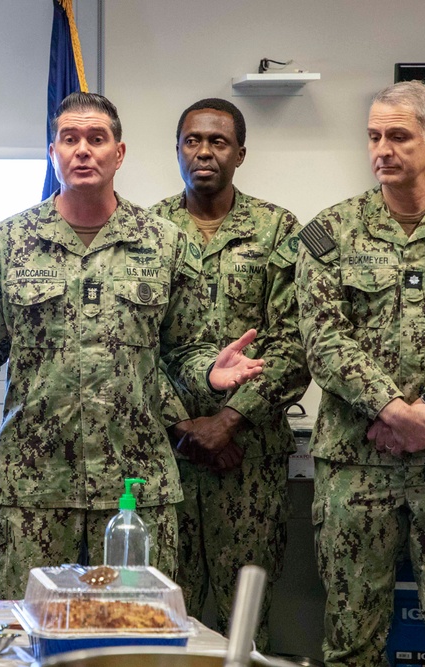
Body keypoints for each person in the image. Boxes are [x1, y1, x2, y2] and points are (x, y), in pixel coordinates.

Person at [0, 92, 265, 599]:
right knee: (32, 638)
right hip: (34, 489)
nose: (83, 150)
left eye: (97, 139)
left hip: (136, 490)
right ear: (53, 152)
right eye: (70, 139)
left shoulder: (164, 242)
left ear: (120, 152)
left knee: (138, 638)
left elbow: (187, 348)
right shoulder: (3, 244)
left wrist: (210, 374)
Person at [296, 80, 425, 666]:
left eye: (397, 136)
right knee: (351, 642)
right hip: (357, 463)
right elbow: (322, 337)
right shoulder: (329, 232)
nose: (381, 149)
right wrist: (392, 410)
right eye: (373, 137)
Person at [151, 98, 309, 650]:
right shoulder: (147, 231)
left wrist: (230, 420)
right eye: (192, 140)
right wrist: (185, 426)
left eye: (218, 142)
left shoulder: (277, 229)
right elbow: (133, 348)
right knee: (167, 620)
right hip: (165, 462)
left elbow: (297, 343)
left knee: (244, 629)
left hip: (251, 461)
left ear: (241, 153)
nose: (204, 152)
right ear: (177, 149)